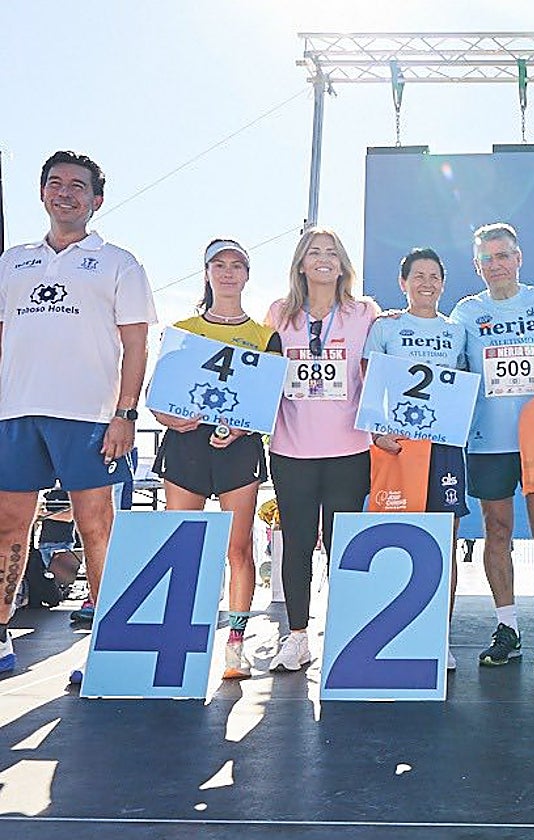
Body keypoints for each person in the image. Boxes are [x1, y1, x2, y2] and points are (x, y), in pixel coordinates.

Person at [0, 151, 156, 677]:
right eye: (55, 183)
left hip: (90, 416)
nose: (65, 192)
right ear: (43, 192)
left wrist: (126, 414)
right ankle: (1, 636)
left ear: (96, 200)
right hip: (17, 413)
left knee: (97, 527)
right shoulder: (12, 261)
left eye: (77, 186)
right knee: (8, 526)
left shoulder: (119, 263)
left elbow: (137, 345)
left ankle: (106, 648)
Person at [150, 239, 280, 680]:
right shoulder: (183, 328)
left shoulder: (265, 336)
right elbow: (160, 399)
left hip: (238, 450)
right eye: (219, 265)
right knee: (184, 546)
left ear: (247, 275)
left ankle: (236, 644)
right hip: (186, 447)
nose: (228, 272)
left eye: (237, 265)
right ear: (206, 273)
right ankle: (178, 644)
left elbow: (271, 401)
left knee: (237, 548)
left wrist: (244, 426)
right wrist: (170, 417)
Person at [449, 223, 534, 668]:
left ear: (518, 259)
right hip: (488, 440)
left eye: (504, 256)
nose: (497, 265)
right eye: (488, 258)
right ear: (477, 265)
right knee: (496, 531)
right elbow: (441, 357)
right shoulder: (465, 312)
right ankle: (507, 627)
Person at [265, 228, 379, 672]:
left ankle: (346, 634)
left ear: (344, 263)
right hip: (291, 448)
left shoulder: (364, 312)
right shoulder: (279, 312)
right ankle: (296, 637)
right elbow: (263, 374)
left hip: (349, 447)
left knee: (342, 545)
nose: (324, 259)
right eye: (315, 252)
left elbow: (377, 369)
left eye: (333, 252)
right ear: (300, 263)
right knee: (295, 543)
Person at [363, 247, 469, 671]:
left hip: (444, 445)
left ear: (443, 283)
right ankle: (392, 630)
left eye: (434, 276)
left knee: (444, 534)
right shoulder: (385, 327)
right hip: (397, 445)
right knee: (395, 533)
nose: (427, 283)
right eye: (418, 276)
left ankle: (437, 636)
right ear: (403, 283)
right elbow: (370, 381)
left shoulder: (456, 331)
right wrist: (376, 430)